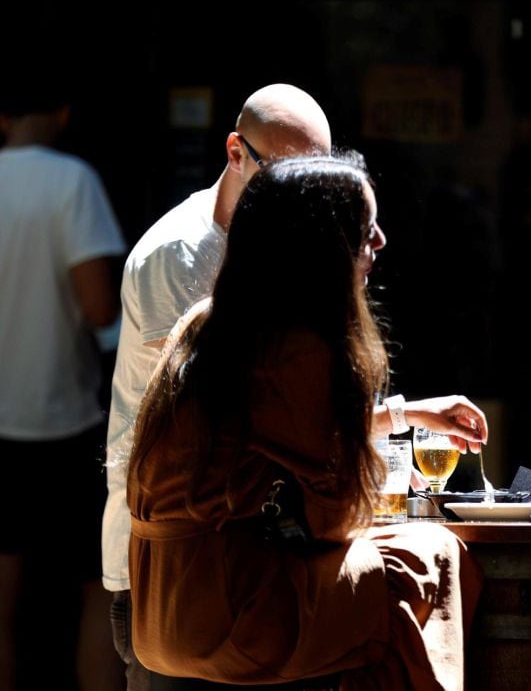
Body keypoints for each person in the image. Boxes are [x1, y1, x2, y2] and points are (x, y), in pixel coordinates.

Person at [127, 154, 486, 689]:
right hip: (227, 619)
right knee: (428, 554)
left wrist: (401, 414)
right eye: (366, 230)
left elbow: (273, 429)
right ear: (320, 246)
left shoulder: (210, 322)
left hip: (160, 612)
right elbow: (335, 520)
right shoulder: (296, 347)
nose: (382, 242)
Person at [102, 83, 333, 690]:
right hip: (169, 567)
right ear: (236, 152)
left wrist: (393, 414)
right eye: (285, 173)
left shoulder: (281, 247)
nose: (303, 196)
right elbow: (196, 426)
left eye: (317, 178)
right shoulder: (179, 255)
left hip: (242, 558)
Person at [0, 76, 126, 690]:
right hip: (64, 421)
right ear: (64, 109)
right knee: (97, 592)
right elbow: (101, 306)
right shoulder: (70, 181)